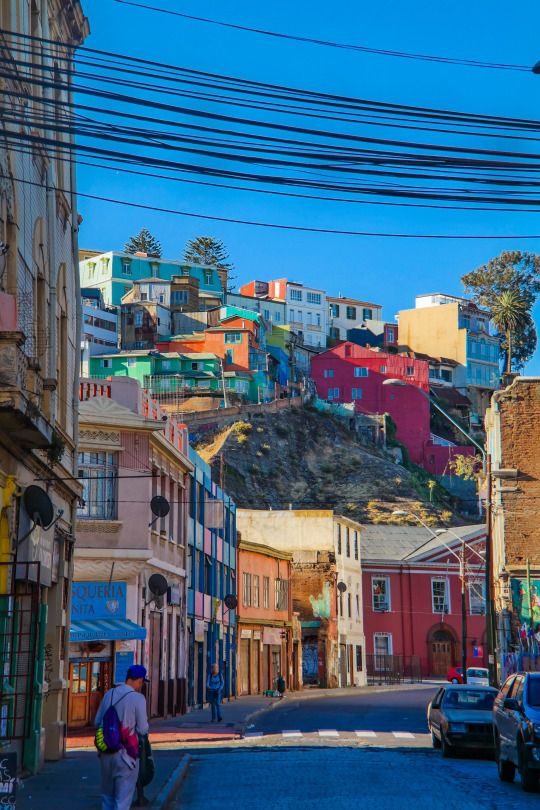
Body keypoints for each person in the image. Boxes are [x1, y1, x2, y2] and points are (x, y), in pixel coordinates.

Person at [94, 664, 150, 810]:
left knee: (107, 797)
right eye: (141, 682)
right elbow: (143, 729)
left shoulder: (109, 694)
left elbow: (97, 721)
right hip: (127, 755)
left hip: (105, 752)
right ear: (139, 680)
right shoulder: (138, 699)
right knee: (122, 800)